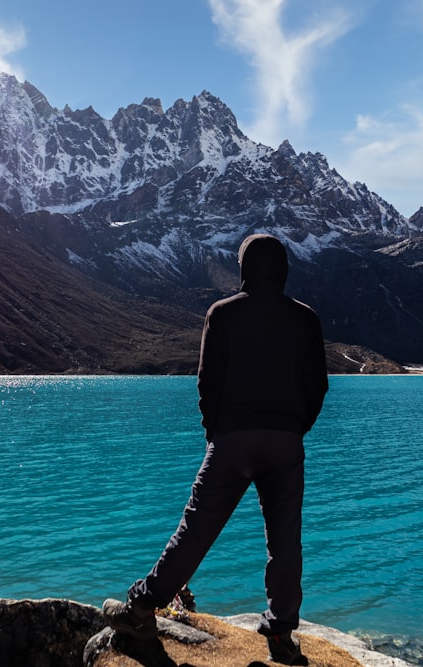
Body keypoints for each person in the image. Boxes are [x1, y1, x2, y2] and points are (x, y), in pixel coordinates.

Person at [103, 234, 329, 665]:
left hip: (232, 441)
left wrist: (217, 433)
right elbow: (317, 386)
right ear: (283, 268)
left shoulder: (222, 314)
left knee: (197, 529)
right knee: (285, 542)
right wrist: (294, 429)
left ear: (244, 267)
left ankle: (141, 608)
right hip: (285, 444)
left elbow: (208, 383)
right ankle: (281, 634)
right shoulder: (305, 319)